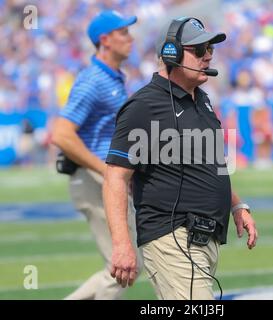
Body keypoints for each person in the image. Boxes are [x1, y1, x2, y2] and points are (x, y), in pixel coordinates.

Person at [103, 17, 258, 300]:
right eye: (198, 50)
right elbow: (116, 176)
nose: (208, 55)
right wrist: (121, 243)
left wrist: (237, 205)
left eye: (210, 48)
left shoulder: (202, 99)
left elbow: (210, 165)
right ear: (171, 54)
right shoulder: (143, 106)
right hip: (171, 238)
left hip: (203, 239)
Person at [51, 10, 142, 300]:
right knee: (124, 267)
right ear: (105, 40)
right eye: (124, 32)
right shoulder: (93, 80)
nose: (130, 38)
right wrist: (106, 171)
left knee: (124, 267)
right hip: (94, 180)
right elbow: (62, 134)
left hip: (100, 179)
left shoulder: (112, 78)